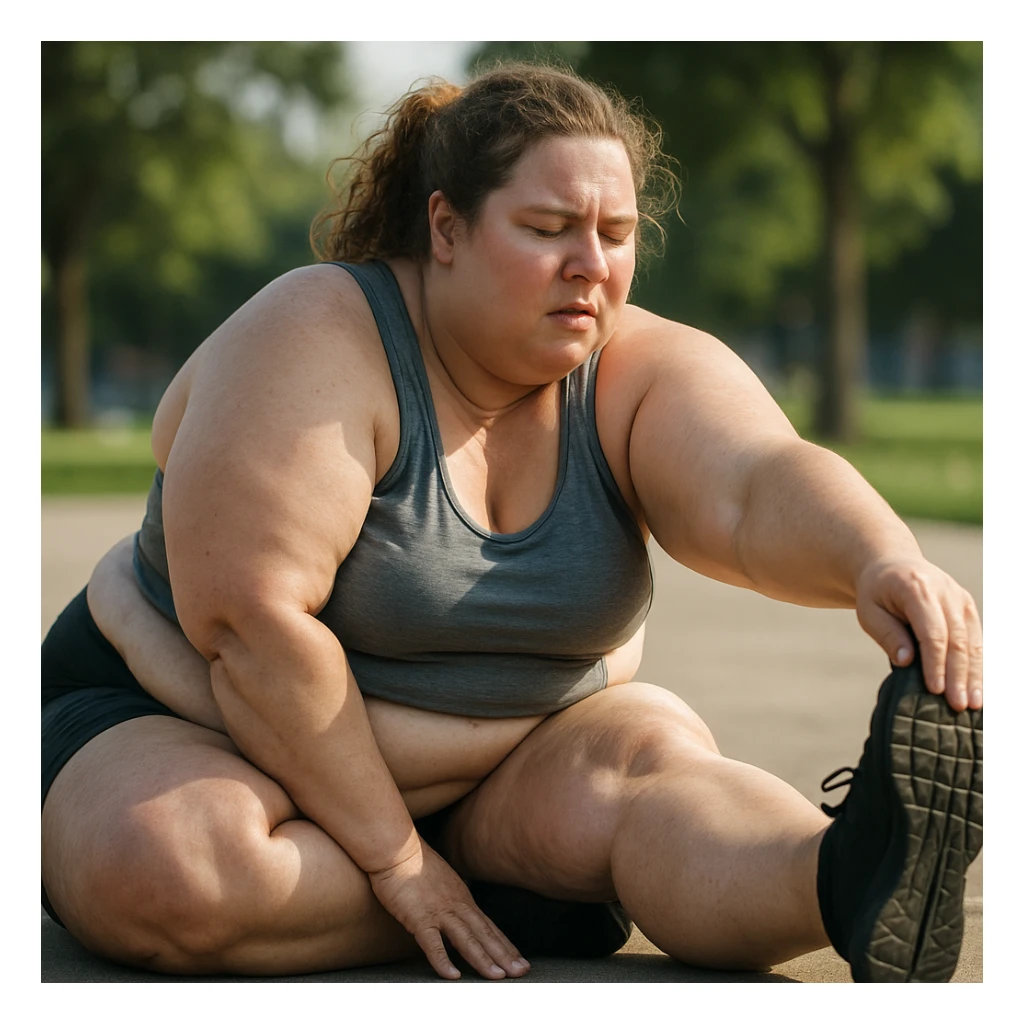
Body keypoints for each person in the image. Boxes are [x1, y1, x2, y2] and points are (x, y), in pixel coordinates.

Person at [41, 62, 983, 983]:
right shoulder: (316, 336)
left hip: (506, 765)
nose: (591, 266)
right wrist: (399, 863)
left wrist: (878, 559)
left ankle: (849, 874)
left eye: (617, 234)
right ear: (446, 227)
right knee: (171, 865)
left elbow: (753, 487)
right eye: (547, 228)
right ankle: (519, 899)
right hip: (195, 723)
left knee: (652, 779)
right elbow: (251, 628)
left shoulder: (634, 369)